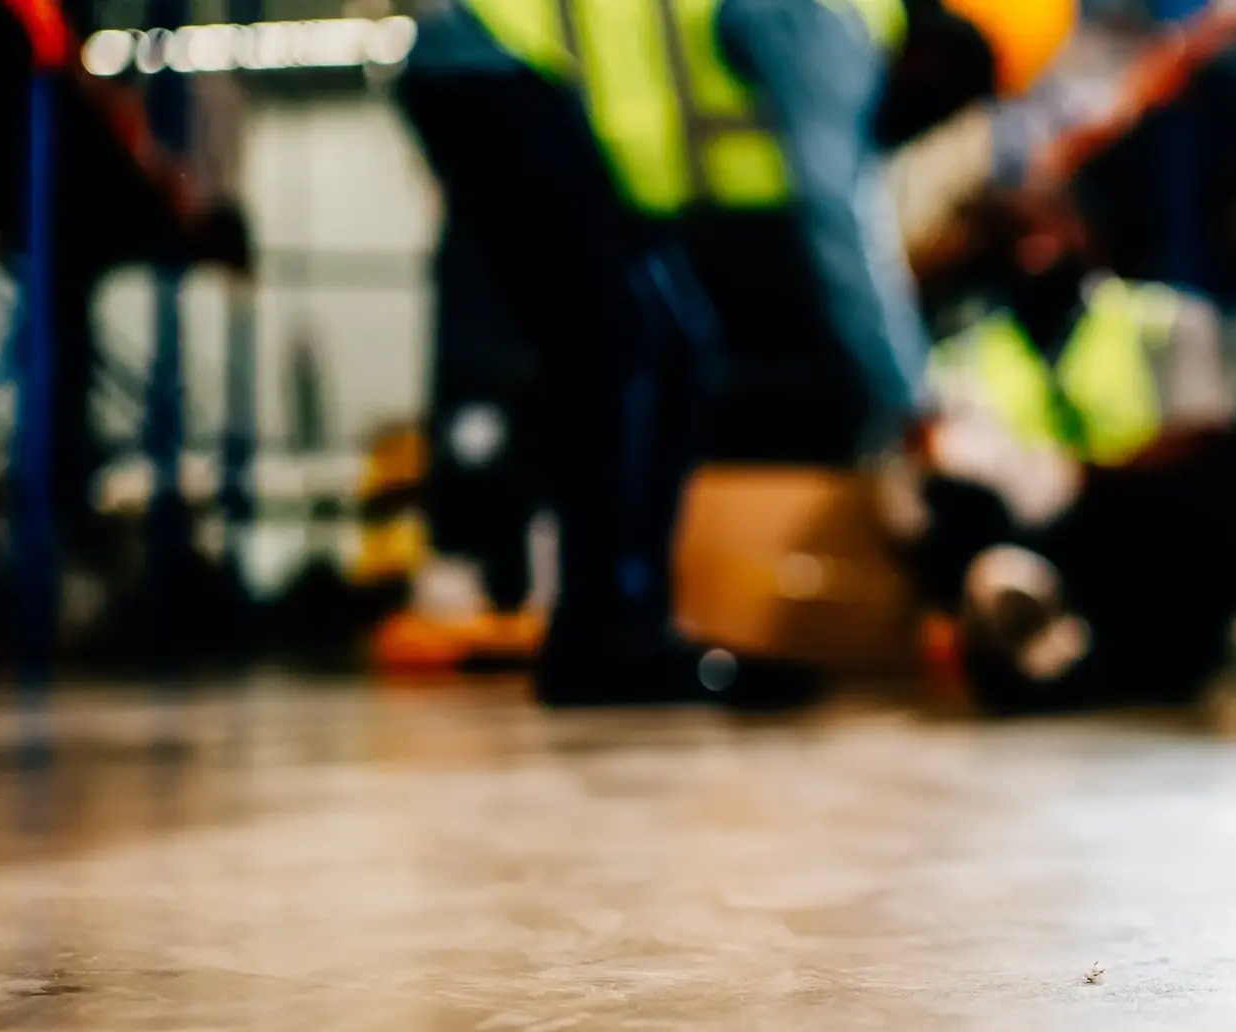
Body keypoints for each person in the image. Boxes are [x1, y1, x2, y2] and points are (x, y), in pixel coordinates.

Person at [399, 0, 1070, 706]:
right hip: (496, 58)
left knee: (670, 340)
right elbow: (836, 220)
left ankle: (626, 625)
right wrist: (909, 401)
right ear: (943, 49)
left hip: (524, 80)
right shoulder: (827, 24)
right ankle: (606, 638)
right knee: (619, 343)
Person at [889, 194, 1236, 710]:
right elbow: (932, 453)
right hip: (1039, 535)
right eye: (1007, 235)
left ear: (1085, 232)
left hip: (1142, 532)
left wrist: (1079, 475)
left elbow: (1206, 434)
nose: (1029, 251)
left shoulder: (1165, 320)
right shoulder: (965, 355)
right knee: (948, 500)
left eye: (1043, 229)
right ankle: (1025, 628)